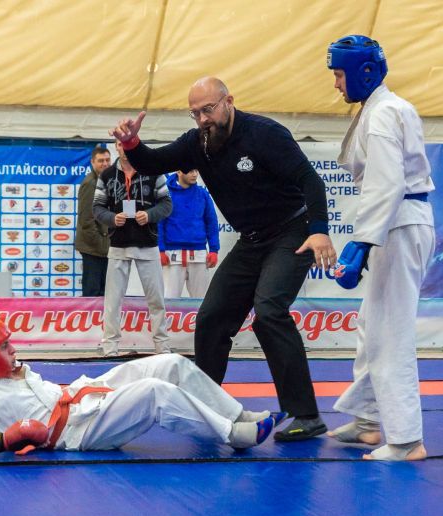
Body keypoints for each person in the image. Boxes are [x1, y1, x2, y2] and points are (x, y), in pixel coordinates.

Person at [110, 76, 337, 441]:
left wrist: (320, 230)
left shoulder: (265, 134)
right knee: (212, 318)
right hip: (251, 241)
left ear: (229, 101)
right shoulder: (197, 143)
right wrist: (132, 143)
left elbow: (311, 181)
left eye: (208, 109)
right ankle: (206, 407)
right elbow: (153, 162)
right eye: (195, 113)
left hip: (291, 232)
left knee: (269, 311)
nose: (203, 119)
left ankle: (306, 415)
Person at [0, 318, 283, 461]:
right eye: (5, 347)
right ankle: (233, 434)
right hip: (78, 431)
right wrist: (5, 439)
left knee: (170, 363)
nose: (14, 349)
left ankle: (238, 414)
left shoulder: (12, 370)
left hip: (82, 396)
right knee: (153, 392)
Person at [325, 35, 435, 461]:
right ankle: (368, 420)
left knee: (390, 332)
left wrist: (360, 243)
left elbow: (387, 183)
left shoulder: (384, 112)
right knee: (371, 325)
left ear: (364, 73)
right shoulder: (381, 108)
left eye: (339, 74)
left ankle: (406, 440)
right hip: (396, 222)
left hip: (398, 224)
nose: (336, 83)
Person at [92, 140, 172, 357]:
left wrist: (150, 215)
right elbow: (97, 208)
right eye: (120, 144)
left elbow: (167, 204)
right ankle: (110, 348)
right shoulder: (107, 175)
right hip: (118, 244)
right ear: (116, 147)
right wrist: (111, 218)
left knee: (156, 300)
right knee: (112, 301)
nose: (124, 148)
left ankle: (162, 347)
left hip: (148, 244)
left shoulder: (154, 170)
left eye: (127, 144)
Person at [158, 169, 220, 298]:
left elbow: (211, 222)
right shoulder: (166, 194)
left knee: (201, 301)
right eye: (190, 171)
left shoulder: (202, 194)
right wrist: (161, 250)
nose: (195, 174)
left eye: (196, 170)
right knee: (169, 301)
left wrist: (214, 250)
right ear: (179, 172)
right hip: (172, 256)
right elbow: (159, 223)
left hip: (199, 255)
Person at [74, 146, 112, 296]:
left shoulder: (106, 180)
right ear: (92, 162)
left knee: (104, 292)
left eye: (107, 160)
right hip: (93, 248)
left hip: (103, 247)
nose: (105, 163)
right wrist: (101, 244)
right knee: (92, 293)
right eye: (101, 161)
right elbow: (86, 220)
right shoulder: (90, 183)